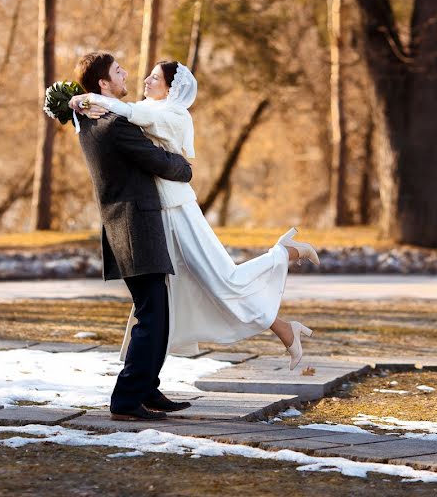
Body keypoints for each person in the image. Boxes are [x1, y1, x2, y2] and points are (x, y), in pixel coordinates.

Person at [71, 60, 319, 372]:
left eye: (155, 77)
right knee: (186, 288)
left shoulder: (171, 113)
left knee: (221, 278)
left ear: (172, 88)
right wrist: (79, 103)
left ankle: (282, 254)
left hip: (177, 208)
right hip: (159, 211)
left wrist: (86, 98)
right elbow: (120, 115)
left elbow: (130, 113)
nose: (145, 79)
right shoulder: (149, 108)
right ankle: (282, 328)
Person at [72, 52, 194, 421]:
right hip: (135, 225)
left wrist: (78, 99)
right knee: (151, 314)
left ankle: (147, 389)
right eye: (118, 71)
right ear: (104, 85)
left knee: (156, 312)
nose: (126, 74)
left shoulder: (89, 119)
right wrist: (184, 166)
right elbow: (160, 162)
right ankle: (126, 399)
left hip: (126, 223)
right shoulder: (114, 125)